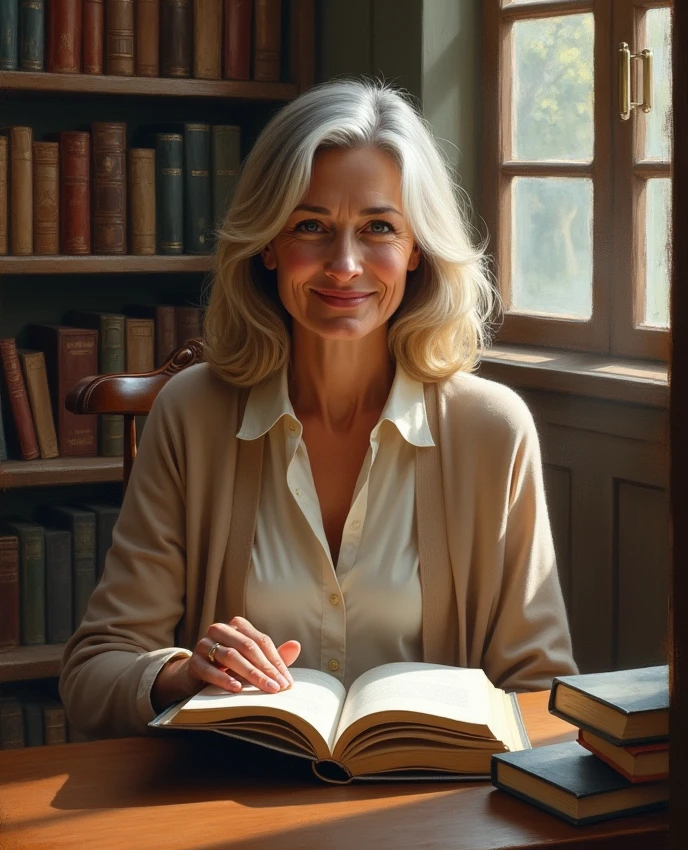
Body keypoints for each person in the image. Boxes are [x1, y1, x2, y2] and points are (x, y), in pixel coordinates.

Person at [60, 78, 576, 738]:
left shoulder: (492, 430)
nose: (344, 264)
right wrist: (184, 673)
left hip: (433, 813)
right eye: (312, 226)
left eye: (379, 228)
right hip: (230, 804)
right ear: (268, 244)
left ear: (417, 250)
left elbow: (541, 691)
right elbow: (94, 673)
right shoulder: (193, 414)